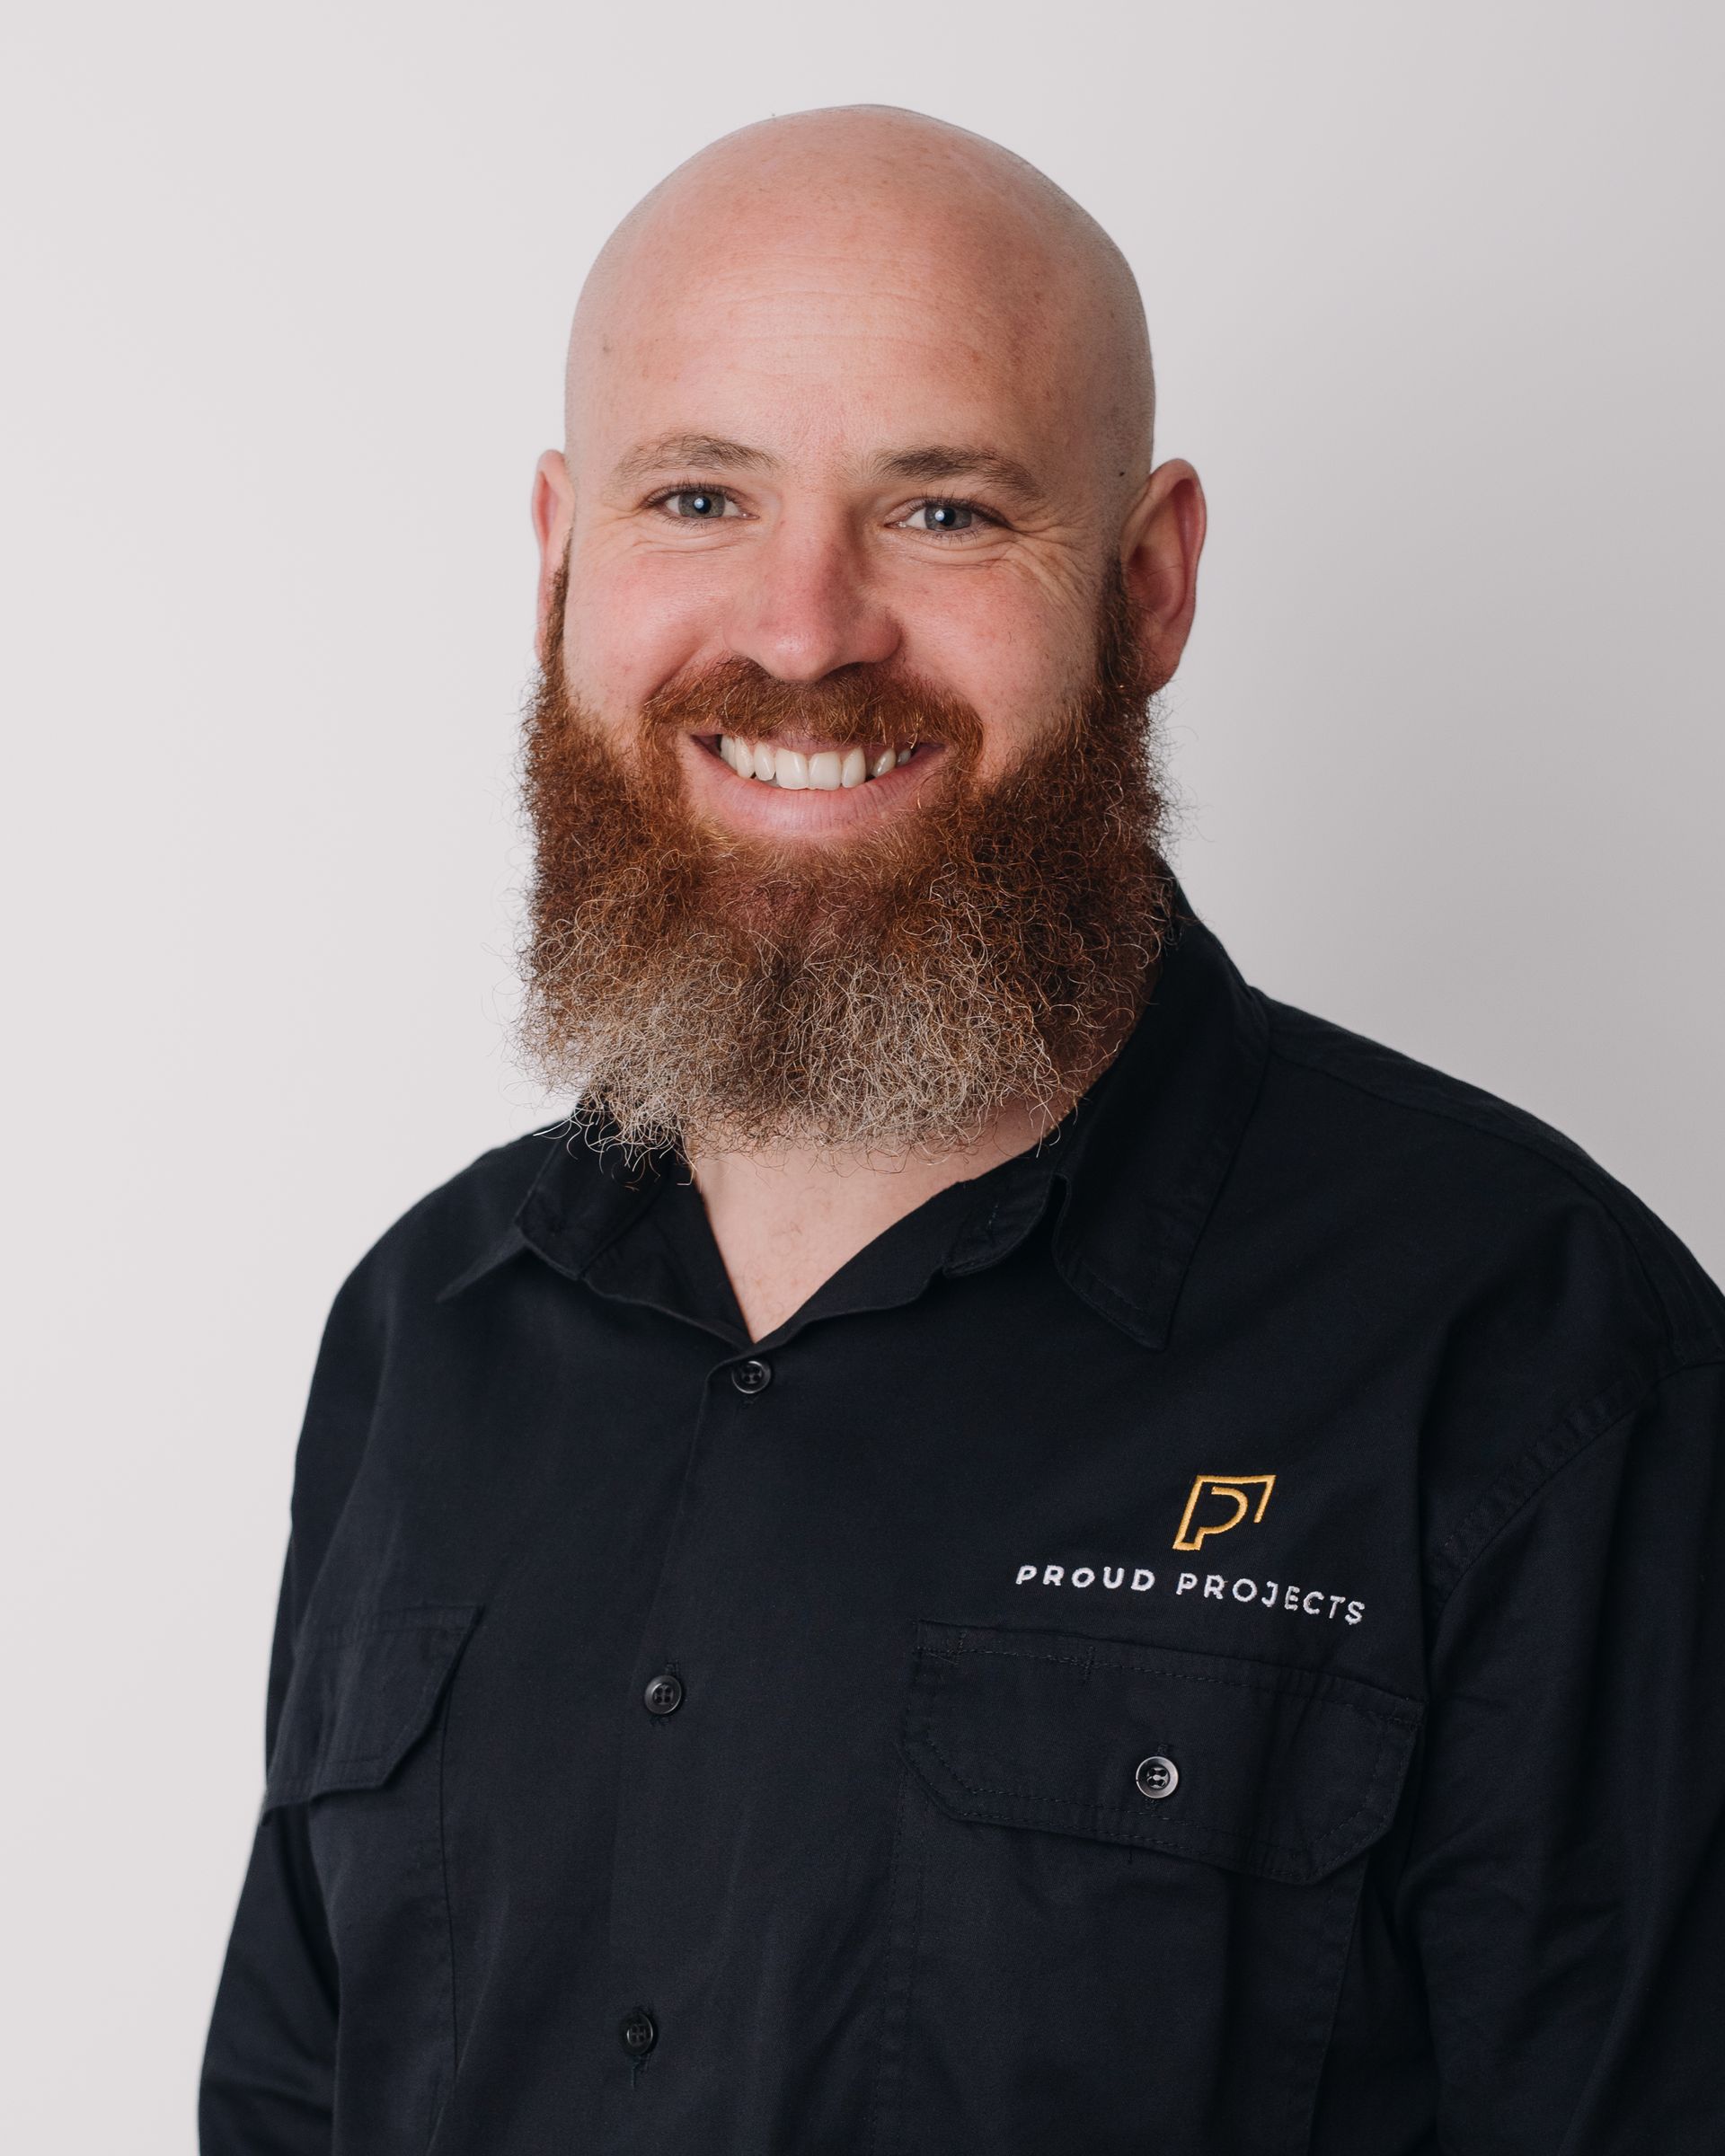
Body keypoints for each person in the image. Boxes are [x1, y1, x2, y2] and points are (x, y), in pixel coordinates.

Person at [199, 105, 1725, 2155]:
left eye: (941, 510)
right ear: (563, 558)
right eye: (701, 496)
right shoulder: (420, 1336)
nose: (807, 628)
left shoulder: (1538, 1354)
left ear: (1151, 580)